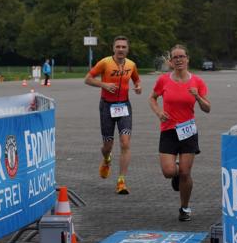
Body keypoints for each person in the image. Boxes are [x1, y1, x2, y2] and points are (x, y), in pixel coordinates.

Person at [149, 44, 210, 221]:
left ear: (187, 59)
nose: (178, 60)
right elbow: (152, 98)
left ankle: (184, 207)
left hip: (188, 132)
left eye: (181, 56)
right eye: (175, 57)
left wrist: (197, 96)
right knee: (169, 172)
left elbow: (207, 108)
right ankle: (176, 171)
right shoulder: (163, 80)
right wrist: (159, 112)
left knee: (185, 173)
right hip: (168, 130)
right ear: (170, 61)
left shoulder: (197, 81)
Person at [84, 36, 142, 195]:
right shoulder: (105, 62)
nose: (121, 49)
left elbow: (137, 80)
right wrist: (104, 84)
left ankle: (121, 181)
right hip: (107, 106)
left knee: (125, 143)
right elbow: (87, 79)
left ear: (127, 49)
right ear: (113, 48)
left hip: (124, 106)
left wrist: (138, 87)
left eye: (124, 47)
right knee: (107, 146)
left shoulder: (131, 65)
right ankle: (107, 159)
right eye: (118, 46)